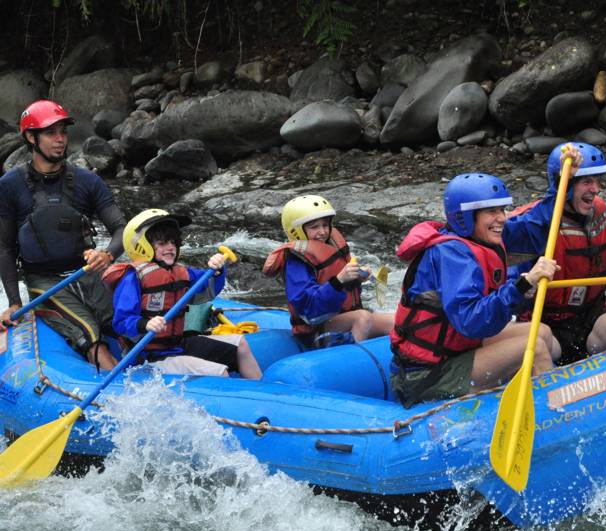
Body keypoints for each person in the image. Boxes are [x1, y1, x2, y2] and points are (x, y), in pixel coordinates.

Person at [390, 172, 561, 408]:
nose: (501, 218)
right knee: (533, 348)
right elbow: (471, 321)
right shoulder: (451, 254)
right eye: (491, 211)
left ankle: (522, 397)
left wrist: (562, 181)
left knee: (541, 332)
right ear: (465, 218)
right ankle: (557, 416)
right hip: (427, 374)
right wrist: (520, 286)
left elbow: (536, 225)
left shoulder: (479, 238)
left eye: (502, 210)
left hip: (456, 350)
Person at [504, 142, 606, 364]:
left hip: (592, 320)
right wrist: (560, 184)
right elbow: (504, 256)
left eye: (598, 181)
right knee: (537, 342)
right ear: (567, 184)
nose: (596, 189)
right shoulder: (534, 223)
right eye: (587, 181)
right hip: (547, 327)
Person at [0, 100, 126, 369]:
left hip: (87, 272)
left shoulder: (87, 181)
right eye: (51, 133)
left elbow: (121, 228)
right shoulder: (10, 185)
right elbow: (5, 247)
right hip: (44, 282)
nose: (60, 140)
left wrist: (108, 253)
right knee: (90, 333)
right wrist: (13, 302)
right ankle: (121, 393)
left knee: (127, 322)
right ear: (31, 137)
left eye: (63, 132)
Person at [103, 209, 262, 379]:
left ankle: (261, 393)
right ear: (141, 246)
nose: (171, 247)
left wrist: (217, 271)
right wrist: (145, 324)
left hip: (179, 345)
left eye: (173, 241)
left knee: (241, 345)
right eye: (163, 243)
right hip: (151, 357)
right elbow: (121, 322)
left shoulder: (181, 272)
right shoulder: (132, 277)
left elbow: (208, 288)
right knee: (219, 371)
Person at [262, 194, 394, 349]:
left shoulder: (331, 245)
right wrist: (338, 281)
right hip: (315, 330)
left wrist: (356, 277)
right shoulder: (297, 261)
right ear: (296, 230)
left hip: (342, 319)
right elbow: (309, 310)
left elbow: (339, 284)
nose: (323, 231)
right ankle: (351, 364)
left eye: (325, 225)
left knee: (397, 321)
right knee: (362, 317)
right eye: (314, 227)